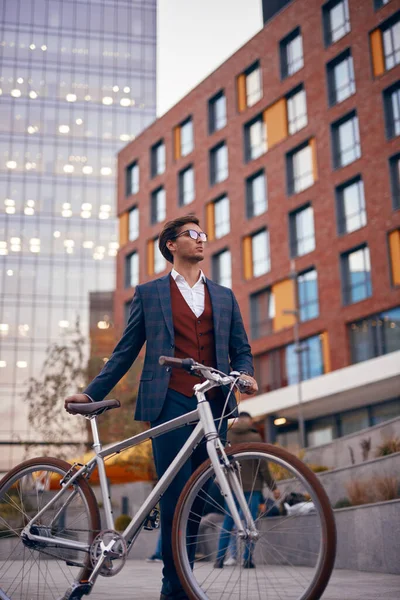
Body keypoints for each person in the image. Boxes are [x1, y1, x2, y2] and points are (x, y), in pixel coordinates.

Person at [64, 214, 257, 600]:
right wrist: (92, 391)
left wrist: (245, 374)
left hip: (213, 403)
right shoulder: (150, 293)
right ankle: (175, 587)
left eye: (204, 234)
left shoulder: (223, 295)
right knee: (175, 493)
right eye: (193, 234)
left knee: (200, 495)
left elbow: (241, 348)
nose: (202, 239)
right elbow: (126, 349)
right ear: (171, 244)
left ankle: (182, 576)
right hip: (169, 399)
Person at [214, 411, 280, 569]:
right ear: (249, 422)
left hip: (231, 486)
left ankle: (219, 559)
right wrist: (273, 487)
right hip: (252, 487)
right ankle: (247, 559)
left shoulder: (228, 435)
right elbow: (262, 466)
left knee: (228, 522)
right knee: (251, 523)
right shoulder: (255, 437)